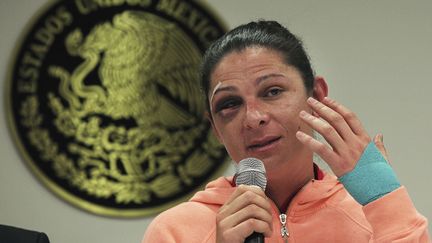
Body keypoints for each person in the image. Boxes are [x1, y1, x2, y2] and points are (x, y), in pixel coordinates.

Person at [142, 20, 430, 242]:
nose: (252, 118)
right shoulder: (175, 231)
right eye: (229, 104)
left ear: (316, 96)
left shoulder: (369, 214)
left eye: (273, 91)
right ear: (215, 128)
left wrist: (385, 199)